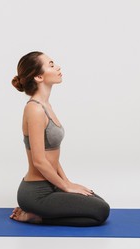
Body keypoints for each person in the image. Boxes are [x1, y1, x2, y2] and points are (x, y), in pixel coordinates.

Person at [10, 51, 110, 226]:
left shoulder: (46, 105)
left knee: (98, 202)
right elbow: (40, 161)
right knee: (101, 211)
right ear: (39, 77)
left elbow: (52, 158)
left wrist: (67, 182)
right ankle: (34, 217)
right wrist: (66, 187)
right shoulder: (34, 109)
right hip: (37, 192)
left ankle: (43, 213)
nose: (58, 67)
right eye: (51, 64)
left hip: (52, 184)